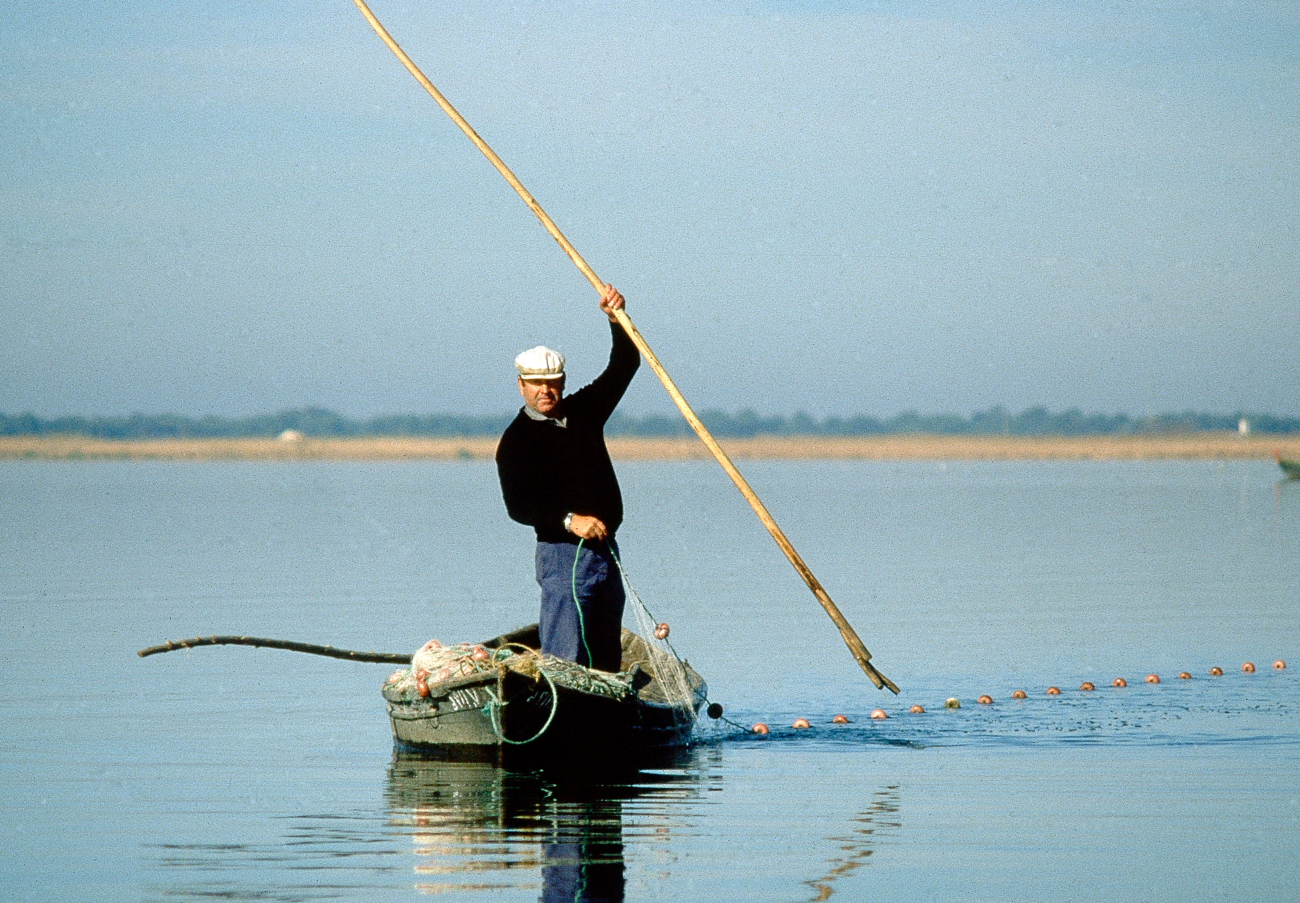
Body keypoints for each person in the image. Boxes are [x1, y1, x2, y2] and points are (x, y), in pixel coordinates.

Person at [495, 284, 639, 673]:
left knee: (606, 657)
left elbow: (624, 365)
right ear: (521, 385)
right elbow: (519, 506)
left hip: (605, 551)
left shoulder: (584, 412)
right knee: (565, 661)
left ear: (561, 381)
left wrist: (616, 319)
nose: (546, 391)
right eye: (537, 384)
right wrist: (569, 521)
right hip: (561, 558)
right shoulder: (515, 441)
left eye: (553, 382)